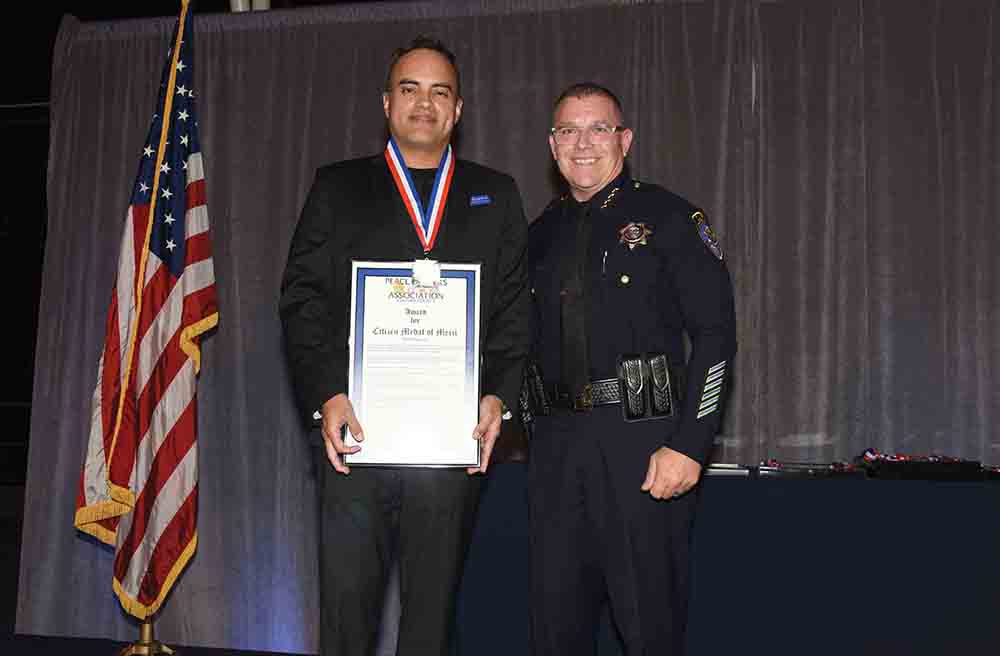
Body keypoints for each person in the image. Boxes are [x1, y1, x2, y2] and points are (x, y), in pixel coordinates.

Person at [279, 37, 529, 656]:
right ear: (387, 103)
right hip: (355, 440)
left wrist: (500, 395)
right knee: (346, 615)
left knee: (431, 621)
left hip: (448, 447)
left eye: (440, 91)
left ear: (458, 109)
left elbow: (513, 312)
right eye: (411, 89)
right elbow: (301, 299)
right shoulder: (337, 187)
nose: (425, 102)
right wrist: (325, 395)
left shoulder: (495, 195)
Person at [526, 82, 737, 655]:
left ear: (626, 139)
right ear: (552, 144)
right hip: (555, 451)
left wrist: (692, 443)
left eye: (599, 128)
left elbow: (716, 336)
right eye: (569, 130)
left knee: (649, 627)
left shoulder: (669, 217)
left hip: (643, 445)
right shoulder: (537, 235)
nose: (583, 143)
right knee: (554, 629)